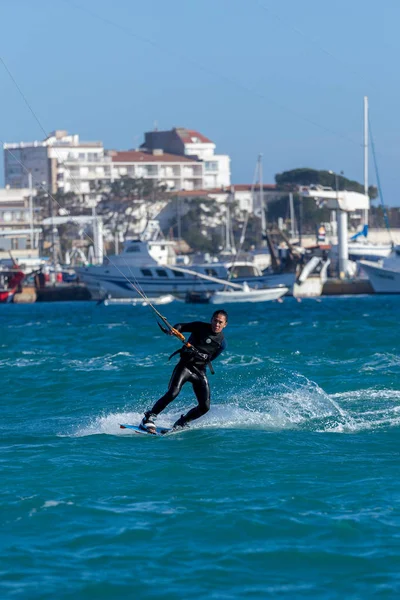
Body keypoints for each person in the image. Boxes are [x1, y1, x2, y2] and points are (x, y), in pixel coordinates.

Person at [140, 310, 228, 432]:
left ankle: (182, 422)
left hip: (199, 371)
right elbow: (181, 326)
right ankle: (149, 417)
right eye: (215, 320)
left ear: (225, 324)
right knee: (173, 393)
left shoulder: (222, 343)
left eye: (220, 322)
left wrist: (203, 357)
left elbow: (211, 358)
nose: (217, 324)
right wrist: (175, 330)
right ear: (211, 320)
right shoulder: (200, 327)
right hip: (185, 366)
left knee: (205, 407)